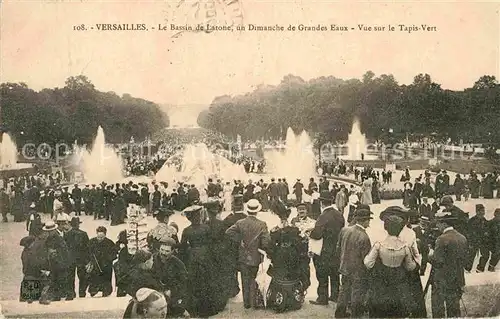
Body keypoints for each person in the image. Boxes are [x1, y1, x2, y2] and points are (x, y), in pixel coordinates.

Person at [364, 215, 416, 318]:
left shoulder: (379, 245)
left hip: (382, 280)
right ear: (400, 229)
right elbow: (410, 267)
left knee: (381, 310)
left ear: (386, 228)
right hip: (399, 280)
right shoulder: (405, 247)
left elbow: (368, 263)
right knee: (397, 310)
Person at [226, 199, 271, 309]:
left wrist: (240, 240)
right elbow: (266, 242)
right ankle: (253, 302)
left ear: (247, 210)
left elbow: (228, 232)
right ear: (257, 211)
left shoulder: (240, 223)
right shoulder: (262, 224)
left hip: (243, 255)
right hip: (256, 256)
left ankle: (246, 303)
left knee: (244, 279)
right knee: (254, 278)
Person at [266, 200, 308, 313]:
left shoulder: (275, 230)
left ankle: (279, 299)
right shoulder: (294, 229)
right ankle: (292, 299)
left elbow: (270, 245)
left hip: (280, 255)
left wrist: (272, 255)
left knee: (280, 275)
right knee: (291, 275)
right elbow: (300, 244)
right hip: (292, 255)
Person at [179, 204, 219, 317]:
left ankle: (194, 309)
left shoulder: (186, 230)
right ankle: (207, 309)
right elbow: (211, 242)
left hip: (193, 257)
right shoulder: (206, 228)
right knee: (206, 281)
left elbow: (182, 246)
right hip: (205, 255)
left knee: (194, 282)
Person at [429, 210, 468, 318]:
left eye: (438, 223)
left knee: (438, 309)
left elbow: (437, 261)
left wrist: (430, 255)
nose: (437, 226)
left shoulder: (441, 239)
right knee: (454, 309)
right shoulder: (462, 237)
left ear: (444, 224)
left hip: (442, 280)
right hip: (457, 279)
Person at [334, 208, 372, 318]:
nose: (369, 223)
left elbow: (338, 248)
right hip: (358, 270)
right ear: (364, 221)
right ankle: (356, 315)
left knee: (343, 290)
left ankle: (339, 313)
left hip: (344, 267)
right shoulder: (364, 237)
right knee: (357, 293)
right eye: (368, 220)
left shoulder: (345, 230)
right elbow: (366, 259)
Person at [309, 195, 345, 306]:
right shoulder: (339, 214)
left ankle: (322, 298)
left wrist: (310, 232)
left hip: (324, 250)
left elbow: (317, 234)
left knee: (322, 274)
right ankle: (335, 295)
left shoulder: (323, 216)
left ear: (321, 203)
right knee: (334, 273)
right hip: (336, 249)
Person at [152, 237, 190, 318]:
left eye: (167, 251)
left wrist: (171, 290)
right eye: (162, 249)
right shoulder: (152, 260)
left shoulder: (178, 264)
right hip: (154, 292)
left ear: (172, 251)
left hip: (172, 295)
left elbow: (183, 283)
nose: (163, 253)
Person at [87, 226, 118, 297]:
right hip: (95, 265)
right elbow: (87, 252)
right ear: (96, 234)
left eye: (102, 237)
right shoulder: (91, 242)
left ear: (105, 235)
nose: (100, 239)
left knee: (106, 279)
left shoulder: (109, 242)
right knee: (94, 278)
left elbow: (114, 253)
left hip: (106, 266)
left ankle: (106, 291)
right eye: (99, 237)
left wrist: (108, 259)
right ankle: (93, 291)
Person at [64, 217, 90, 299]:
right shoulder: (83, 234)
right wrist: (87, 259)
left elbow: (65, 247)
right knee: (82, 276)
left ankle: (71, 293)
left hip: (70, 258)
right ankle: (82, 292)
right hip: (81, 258)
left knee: (70, 276)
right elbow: (87, 248)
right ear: (78, 224)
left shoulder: (67, 234)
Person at [466, 204, 490, 272]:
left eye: (483, 211)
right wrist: (470, 242)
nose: (482, 212)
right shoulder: (471, 221)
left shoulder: (484, 221)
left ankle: (480, 269)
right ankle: (467, 270)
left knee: (486, 255)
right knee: (470, 256)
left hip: (482, 241)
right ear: (477, 212)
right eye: (480, 211)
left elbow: (487, 230)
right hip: (473, 241)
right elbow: (468, 232)